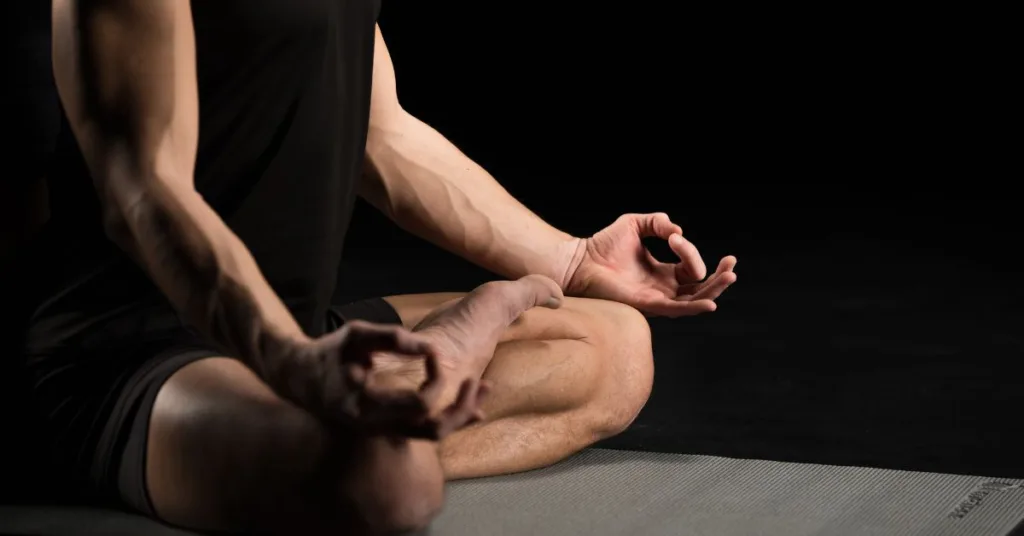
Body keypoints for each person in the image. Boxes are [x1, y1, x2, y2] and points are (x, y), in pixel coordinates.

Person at [21, 0, 737, 534]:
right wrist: (290, 359)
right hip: (125, 359)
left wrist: (573, 258)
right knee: (385, 484)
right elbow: (144, 189)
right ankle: (356, 431)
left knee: (616, 351)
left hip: (299, 338)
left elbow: (383, 134)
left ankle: (347, 418)